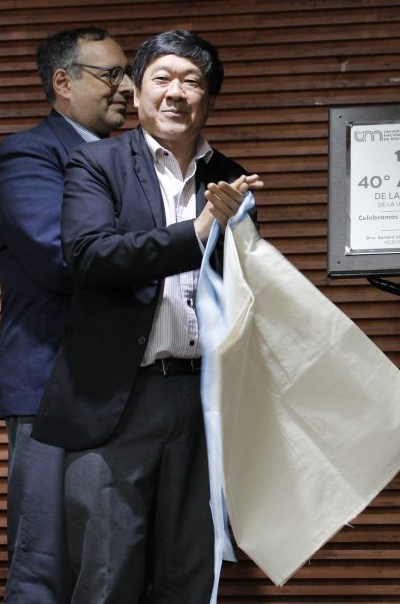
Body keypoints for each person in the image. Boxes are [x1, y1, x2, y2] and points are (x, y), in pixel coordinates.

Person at [31, 30, 262, 602]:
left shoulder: (230, 176)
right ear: (136, 93)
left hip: (203, 400)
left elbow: (243, 286)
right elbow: (89, 256)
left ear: (209, 99)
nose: (175, 92)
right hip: (118, 400)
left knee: (191, 577)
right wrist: (195, 233)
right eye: (162, 78)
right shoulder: (96, 162)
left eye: (192, 82)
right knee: (107, 577)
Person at [0, 26, 132, 602]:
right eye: (111, 74)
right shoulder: (29, 152)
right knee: (43, 564)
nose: (128, 87)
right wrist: (163, 254)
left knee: (109, 563)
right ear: (63, 82)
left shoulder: (133, 160)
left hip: (128, 390)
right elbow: (59, 256)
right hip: (51, 385)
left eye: (128, 73)